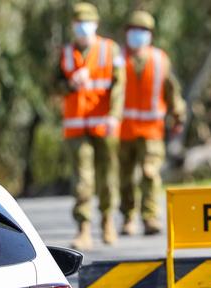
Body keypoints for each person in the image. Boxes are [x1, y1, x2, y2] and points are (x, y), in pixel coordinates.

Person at [58, 2, 125, 250]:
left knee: (108, 176)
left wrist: (114, 115)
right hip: (76, 127)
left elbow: (119, 85)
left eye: (87, 22)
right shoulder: (65, 53)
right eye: (78, 23)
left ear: (95, 24)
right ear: (72, 26)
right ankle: (84, 228)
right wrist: (69, 84)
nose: (82, 27)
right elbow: (53, 84)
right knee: (82, 179)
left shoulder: (110, 49)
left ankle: (108, 221)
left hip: (105, 125)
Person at [118, 10, 186, 236]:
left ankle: (150, 217)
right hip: (123, 131)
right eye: (135, 30)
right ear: (127, 33)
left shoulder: (159, 60)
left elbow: (171, 90)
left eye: (144, 31)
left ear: (151, 35)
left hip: (151, 130)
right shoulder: (118, 59)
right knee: (125, 177)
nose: (139, 35)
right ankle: (128, 218)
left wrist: (178, 115)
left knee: (149, 174)